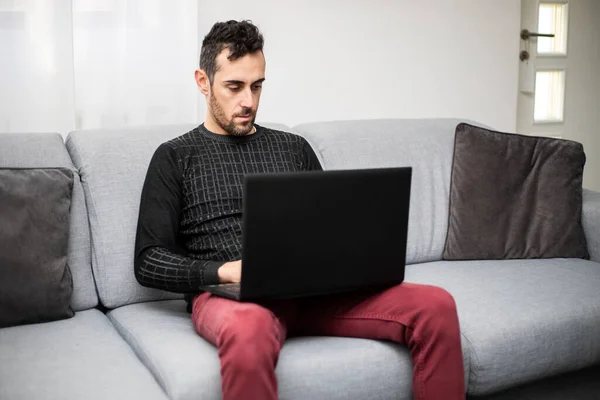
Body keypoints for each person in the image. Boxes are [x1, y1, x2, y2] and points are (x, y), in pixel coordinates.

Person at [135, 20, 465, 400]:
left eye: (257, 86)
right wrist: (223, 271)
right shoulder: (175, 156)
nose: (249, 101)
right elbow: (148, 259)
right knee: (248, 331)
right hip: (233, 297)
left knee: (436, 305)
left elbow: (332, 230)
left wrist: (355, 258)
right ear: (203, 81)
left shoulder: (294, 147)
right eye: (235, 86)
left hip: (314, 293)